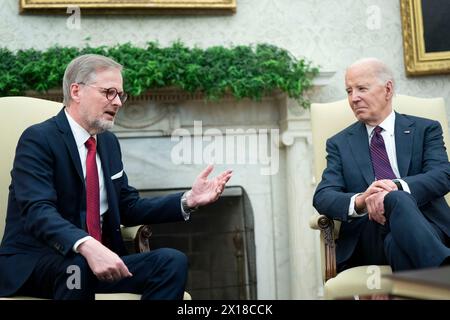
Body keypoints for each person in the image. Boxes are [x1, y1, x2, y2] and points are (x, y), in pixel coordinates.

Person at [0, 54, 232, 300]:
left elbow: (127, 206)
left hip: (96, 264)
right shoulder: (39, 139)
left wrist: (187, 201)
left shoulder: (108, 143)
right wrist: (86, 246)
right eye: (109, 92)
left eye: (120, 94)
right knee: (77, 267)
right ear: (76, 91)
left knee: (171, 261)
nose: (118, 102)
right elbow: (38, 211)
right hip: (39, 262)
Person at [313, 58, 450, 273]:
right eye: (349, 91)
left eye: (361, 89)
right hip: (369, 234)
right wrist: (362, 200)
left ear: (387, 90)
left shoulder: (425, 129)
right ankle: (443, 268)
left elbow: (442, 175)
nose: (353, 98)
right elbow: (323, 196)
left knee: (396, 243)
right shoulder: (339, 143)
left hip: (426, 227)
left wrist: (395, 187)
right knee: (394, 200)